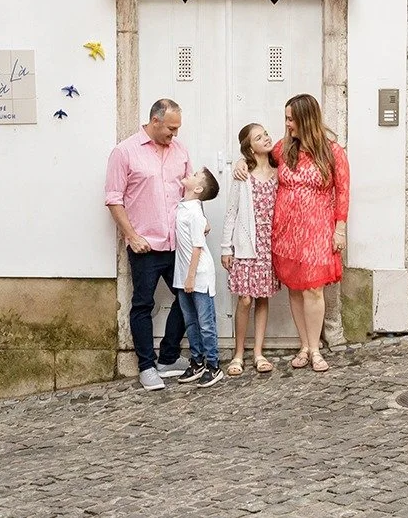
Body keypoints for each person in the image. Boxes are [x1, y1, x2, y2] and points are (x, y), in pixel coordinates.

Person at [234, 93, 349, 373]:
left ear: (305, 119)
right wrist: (241, 162)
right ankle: (305, 346)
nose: (286, 124)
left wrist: (340, 229)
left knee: (313, 289)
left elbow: (343, 192)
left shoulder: (332, 152)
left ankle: (316, 348)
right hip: (286, 230)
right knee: (295, 289)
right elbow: (257, 158)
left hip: (317, 229)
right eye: (286, 119)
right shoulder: (283, 149)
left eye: (290, 119)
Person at [104, 98, 191, 391]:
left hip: (177, 243)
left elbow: (190, 192)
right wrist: (132, 236)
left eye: (177, 129)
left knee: (188, 298)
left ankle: (168, 357)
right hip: (145, 245)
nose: (174, 134)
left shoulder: (180, 151)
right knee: (143, 304)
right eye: (170, 128)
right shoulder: (124, 152)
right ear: (155, 121)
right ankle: (146, 366)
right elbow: (114, 198)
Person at [221, 122, 279, 377]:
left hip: (270, 244)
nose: (266, 138)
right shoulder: (243, 175)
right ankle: (238, 353)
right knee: (245, 299)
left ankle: (258, 352)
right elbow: (231, 212)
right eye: (258, 137)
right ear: (250, 148)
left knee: (263, 297)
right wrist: (226, 247)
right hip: (246, 245)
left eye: (265, 134)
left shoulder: (279, 172)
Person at [174, 166, 224, 387]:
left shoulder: (194, 213)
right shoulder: (185, 206)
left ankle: (213, 364)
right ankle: (197, 361)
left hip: (198, 273)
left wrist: (191, 277)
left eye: (195, 175)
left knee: (205, 323)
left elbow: (197, 246)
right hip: (183, 273)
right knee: (190, 321)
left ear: (198, 188)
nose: (190, 173)